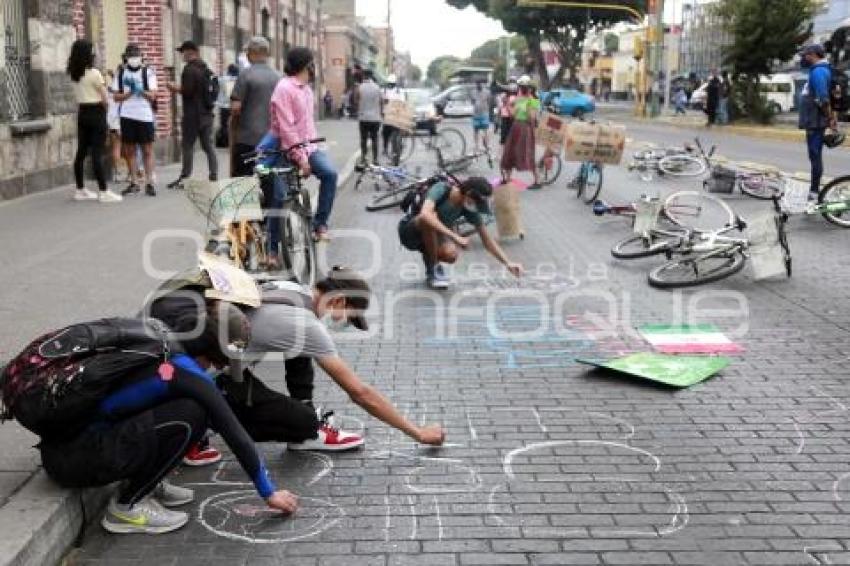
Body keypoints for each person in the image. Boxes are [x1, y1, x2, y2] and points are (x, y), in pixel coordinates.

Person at [32, 306, 298, 534]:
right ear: (214, 351)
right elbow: (233, 432)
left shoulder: (165, 344)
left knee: (185, 409)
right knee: (194, 415)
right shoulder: (186, 372)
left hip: (67, 449)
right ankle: (127, 508)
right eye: (222, 361)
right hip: (75, 459)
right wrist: (268, 492)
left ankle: (148, 484)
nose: (220, 368)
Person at [144, 266, 446, 451]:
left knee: (302, 353)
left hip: (212, 359)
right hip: (208, 377)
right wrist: (416, 432)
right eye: (345, 315)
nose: (339, 321)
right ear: (338, 300)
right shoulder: (306, 325)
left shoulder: (291, 287)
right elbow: (360, 392)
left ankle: (208, 417)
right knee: (304, 424)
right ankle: (201, 425)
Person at [398, 177, 524, 289]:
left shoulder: (467, 208)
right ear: (468, 194)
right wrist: (454, 236)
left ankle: (430, 264)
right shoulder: (441, 189)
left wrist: (508, 263)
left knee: (451, 254)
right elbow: (425, 215)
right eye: (477, 202)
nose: (476, 206)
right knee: (429, 218)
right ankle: (434, 268)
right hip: (410, 233)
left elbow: (487, 240)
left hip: (433, 237)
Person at [269, 47, 338, 241]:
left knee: (330, 174)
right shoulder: (284, 88)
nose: (314, 68)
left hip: (308, 147)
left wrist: (310, 152)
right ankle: (273, 248)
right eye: (312, 63)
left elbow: (307, 126)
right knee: (279, 197)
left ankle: (320, 225)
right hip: (286, 149)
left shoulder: (306, 90)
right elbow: (287, 128)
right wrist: (302, 160)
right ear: (306, 65)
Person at [66, 40, 122, 203]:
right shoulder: (95, 73)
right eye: (92, 51)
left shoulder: (73, 73)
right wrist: (108, 114)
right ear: (87, 54)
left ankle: (80, 189)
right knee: (97, 153)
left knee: (81, 152)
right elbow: (105, 99)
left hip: (82, 112)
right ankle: (104, 191)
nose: (94, 53)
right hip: (96, 112)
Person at [166, 40, 219, 188]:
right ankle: (213, 174)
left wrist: (174, 88)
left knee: (187, 145)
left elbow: (188, 91)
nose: (182, 55)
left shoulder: (189, 70)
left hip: (192, 115)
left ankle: (185, 178)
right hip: (207, 114)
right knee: (208, 145)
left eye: (183, 52)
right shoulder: (206, 68)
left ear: (191, 52)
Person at [230, 37, 282, 177]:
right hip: (272, 139)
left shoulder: (245, 74)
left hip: (247, 139)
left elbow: (236, 108)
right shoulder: (278, 77)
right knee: (267, 177)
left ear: (252, 53)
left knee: (243, 180)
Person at [112, 44, 157, 197]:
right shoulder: (120, 73)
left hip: (144, 116)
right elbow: (116, 97)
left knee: (147, 150)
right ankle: (134, 182)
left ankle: (149, 182)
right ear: (126, 57)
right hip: (127, 115)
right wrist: (129, 93)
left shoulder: (148, 72)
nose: (133, 59)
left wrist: (139, 90)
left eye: (136, 55)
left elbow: (152, 95)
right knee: (129, 151)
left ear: (141, 56)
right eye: (130, 56)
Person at [798, 44, 837, 199]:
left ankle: (814, 192)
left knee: (815, 156)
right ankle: (814, 190)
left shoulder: (819, 72)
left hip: (815, 122)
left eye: (805, 55)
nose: (803, 58)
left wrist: (830, 119)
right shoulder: (818, 70)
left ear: (813, 55)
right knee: (814, 156)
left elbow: (823, 99)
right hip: (814, 121)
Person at [500, 76, 541, 189]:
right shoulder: (519, 98)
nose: (521, 89)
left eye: (524, 87)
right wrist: (507, 105)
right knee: (510, 152)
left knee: (528, 154)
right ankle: (507, 178)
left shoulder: (533, 100)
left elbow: (531, 117)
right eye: (521, 87)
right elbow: (513, 115)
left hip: (526, 129)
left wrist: (528, 104)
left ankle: (537, 180)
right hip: (516, 127)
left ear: (529, 88)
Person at [105, 70, 126, 184]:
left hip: (112, 120)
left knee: (116, 147)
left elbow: (106, 105)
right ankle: (131, 172)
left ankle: (117, 173)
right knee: (128, 147)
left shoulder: (109, 92)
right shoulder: (123, 92)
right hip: (121, 119)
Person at [357, 69, 382, 165]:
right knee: (375, 138)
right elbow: (381, 101)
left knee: (363, 139)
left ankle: (364, 157)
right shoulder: (377, 87)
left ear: (364, 76)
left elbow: (357, 100)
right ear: (372, 76)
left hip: (363, 118)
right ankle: (375, 159)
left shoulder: (360, 87)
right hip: (375, 118)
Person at [215, 64, 239, 148]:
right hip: (235, 106)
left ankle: (224, 142)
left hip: (224, 105)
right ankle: (234, 142)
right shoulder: (239, 80)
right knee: (235, 125)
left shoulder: (222, 79)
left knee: (224, 124)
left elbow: (215, 81)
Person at [381, 74, 405, 157]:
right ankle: (385, 148)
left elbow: (402, 102)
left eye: (392, 84)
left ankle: (396, 150)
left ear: (395, 83)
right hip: (387, 115)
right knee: (385, 133)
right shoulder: (384, 90)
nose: (390, 85)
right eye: (389, 83)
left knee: (396, 133)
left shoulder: (399, 91)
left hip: (396, 115)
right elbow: (382, 101)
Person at [472, 81, 492, 152]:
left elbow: (489, 102)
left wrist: (486, 109)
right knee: (475, 130)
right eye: (477, 84)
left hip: (484, 114)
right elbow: (473, 102)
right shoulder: (473, 92)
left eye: (480, 83)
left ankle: (487, 145)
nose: (478, 85)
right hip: (476, 114)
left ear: (482, 84)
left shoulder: (487, 92)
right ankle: (477, 145)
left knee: (486, 129)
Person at [498, 79, 518, 145]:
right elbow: (501, 106)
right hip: (506, 116)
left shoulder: (516, 96)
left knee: (508, 134)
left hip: (511, 116)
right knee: (505, 135)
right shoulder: (504, 95)